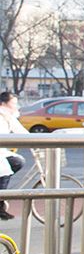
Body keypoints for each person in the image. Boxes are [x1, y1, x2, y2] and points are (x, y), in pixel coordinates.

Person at [0, 92, 29, 221]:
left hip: (2, 152)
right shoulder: (3, 116)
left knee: (16, 162)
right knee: (6, 169)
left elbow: (22, 132)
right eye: (13, 103)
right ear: (3, 104)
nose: (15, 106)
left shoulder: (8, 116)